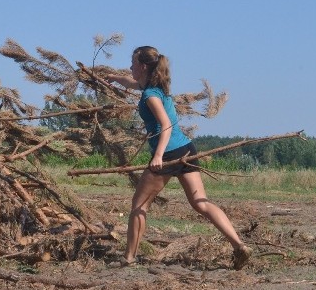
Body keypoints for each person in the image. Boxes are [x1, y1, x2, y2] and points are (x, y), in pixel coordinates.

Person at [104, 46, 252, 270]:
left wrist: (158, 156)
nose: (130, 66)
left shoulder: (150, 96)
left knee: (139, 205)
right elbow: (130, 82)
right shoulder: (156, 87)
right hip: (186, 148)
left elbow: (166, 125)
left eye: (133, 63)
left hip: (168, 153)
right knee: (200, 202)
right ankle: (239, 245)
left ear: (143, 66)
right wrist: (113, 79)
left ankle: (129, 257)